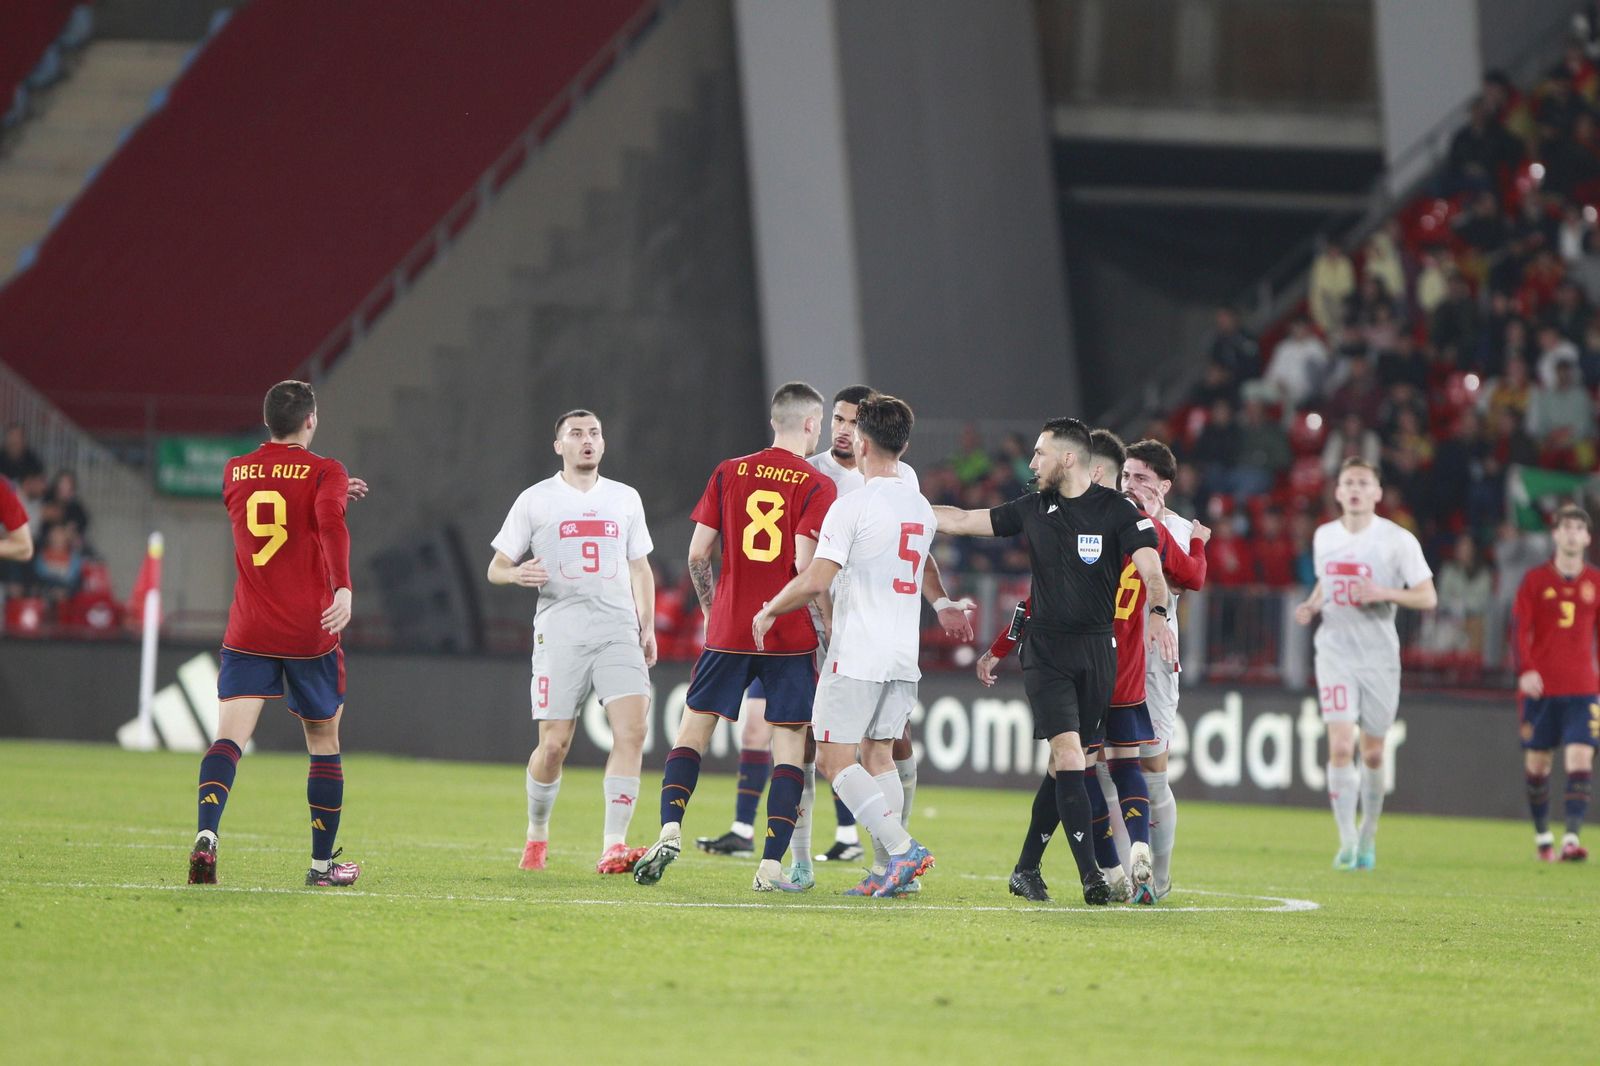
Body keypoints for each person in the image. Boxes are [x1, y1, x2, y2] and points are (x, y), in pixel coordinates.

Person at [934, 417, 1172, 905]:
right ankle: (1093, 878)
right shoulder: (1034, 507)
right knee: (1069, 756)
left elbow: (1152, 567)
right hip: (1046, 651)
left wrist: (1159, 611)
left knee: (1066, 765)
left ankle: (1026, 869)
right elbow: (961, 518)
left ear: (1068, 458)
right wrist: (900, 504)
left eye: (1040, 453)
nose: (1032, 461)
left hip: (1096, 652)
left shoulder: (1119, 511)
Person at [979, 432, 1206, 905]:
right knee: (1114, 768)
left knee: (1086, 767)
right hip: (1124, 668)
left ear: (1164, 485)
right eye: (1127, 476)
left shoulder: (1134, 523)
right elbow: (1190, 574)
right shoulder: (1146, 527)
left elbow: (1041, 597)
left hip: (1111, 661)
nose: (1131, 485)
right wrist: (1198, 550)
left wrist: (1001, 645)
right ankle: (1121, 867)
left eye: (1141, 478)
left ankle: (1113, 872)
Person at [632, 383, 837, 891]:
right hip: (788, 633)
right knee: (789, 749)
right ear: (812, 425)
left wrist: (713, 609)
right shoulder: (816, 484)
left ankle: (670, 828)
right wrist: (827, 621)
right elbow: (806, 567)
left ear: (774, 421)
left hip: (727, 629)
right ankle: (770, 867)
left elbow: (698, 555)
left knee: (691, 734)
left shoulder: (729, 471)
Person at [752, 395, 938, 898]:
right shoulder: (919, 505)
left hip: (857, 651)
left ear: (862, 441)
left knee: (834, 760)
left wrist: (770, 609)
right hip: (903, 654)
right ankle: (886, 874)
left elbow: (816, 578)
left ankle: (902, 850)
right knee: (879, 754)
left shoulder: (851, 505)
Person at [189, 380, 369, 888]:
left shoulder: (234, 470)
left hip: (249, 627)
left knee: (228, 739)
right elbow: (328, 523)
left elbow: (277, 505)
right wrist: (344, 589)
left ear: (268, 421)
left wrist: (329, 491)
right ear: (310, 420)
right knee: (323, 742)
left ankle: (207, 835)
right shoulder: (325, 471)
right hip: (310, 630)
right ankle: (320, 867)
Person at [487, 409, 657, 875]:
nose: (588, 440)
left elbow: (640, 568)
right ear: (558, 445)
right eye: (577, 434)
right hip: (560, 634)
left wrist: (647, 625)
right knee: (554, 745)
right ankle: (537, 833)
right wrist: (516, 573)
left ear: (603, 444)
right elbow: (496, 566)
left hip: (618, 630)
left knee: (633, 733)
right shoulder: (536, 500)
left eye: (595, 433)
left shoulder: (624, 499)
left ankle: (613, 845)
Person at [1295, 457, 1437, 871]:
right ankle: (1346, 842)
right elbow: (1328, 579)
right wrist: (1313, 603)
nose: (1355, 489)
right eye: (1348, 483)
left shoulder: (1397, 541)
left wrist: (1384, 592)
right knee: (1341, 745)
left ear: (1377, 493)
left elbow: (1428, 597)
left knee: (1372, 753)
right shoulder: (1324, 536)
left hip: (1378, 658)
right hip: (1335, 652)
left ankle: (1369, 835)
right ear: (1337, 492)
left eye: (1363, 483)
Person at [1511, 505, 1596, 862]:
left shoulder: (1595, 581)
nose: (1573, 533)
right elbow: (1518, 628)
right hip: (1541, 688)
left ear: (1587, 538)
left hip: (1583, 688)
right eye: (1567, 527)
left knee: (1580, 758)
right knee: (1538, 766)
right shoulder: (1534, 580)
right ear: (1556, 535)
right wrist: (1526, 669)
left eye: (1580, 527)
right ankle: (1544, 837)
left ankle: (1571, 840)